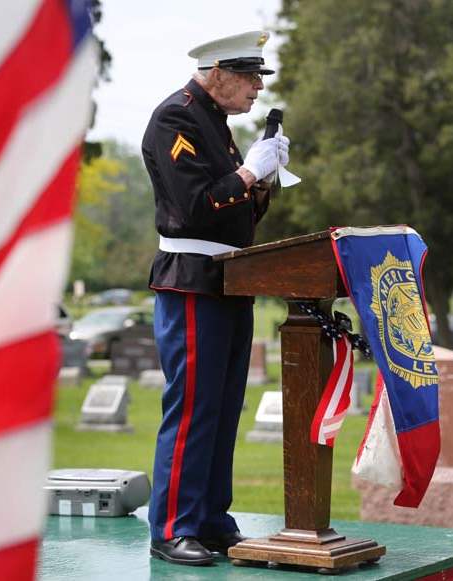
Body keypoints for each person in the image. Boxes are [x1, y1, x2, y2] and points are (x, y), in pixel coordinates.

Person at [141, 30, 290, 566]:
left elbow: (238, 216)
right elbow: (196, 207)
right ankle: (174, 526)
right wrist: (248, 170)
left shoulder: (216, 125)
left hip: (229, 276)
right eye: (249, 77)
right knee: (192, 408)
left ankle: (209, 520)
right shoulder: (175, 119)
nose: (255, 88)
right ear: (218, 73)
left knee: (225, 407)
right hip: (190, 278)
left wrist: (261, 183)